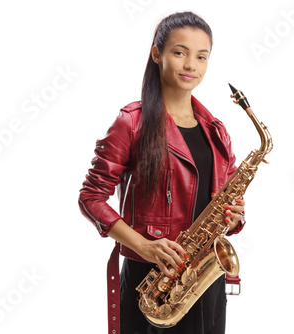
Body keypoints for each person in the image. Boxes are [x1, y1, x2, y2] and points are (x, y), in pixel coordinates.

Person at [79, 11, 246, 334]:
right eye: (179, 52)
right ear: (157, 53)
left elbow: (231, 199)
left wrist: (235, 216)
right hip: (152, 281)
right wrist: (142, 245)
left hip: (204, 280)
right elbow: (91, 197)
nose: (191, 66)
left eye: (202, 56)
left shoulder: (217, 131)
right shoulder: (132, 122)